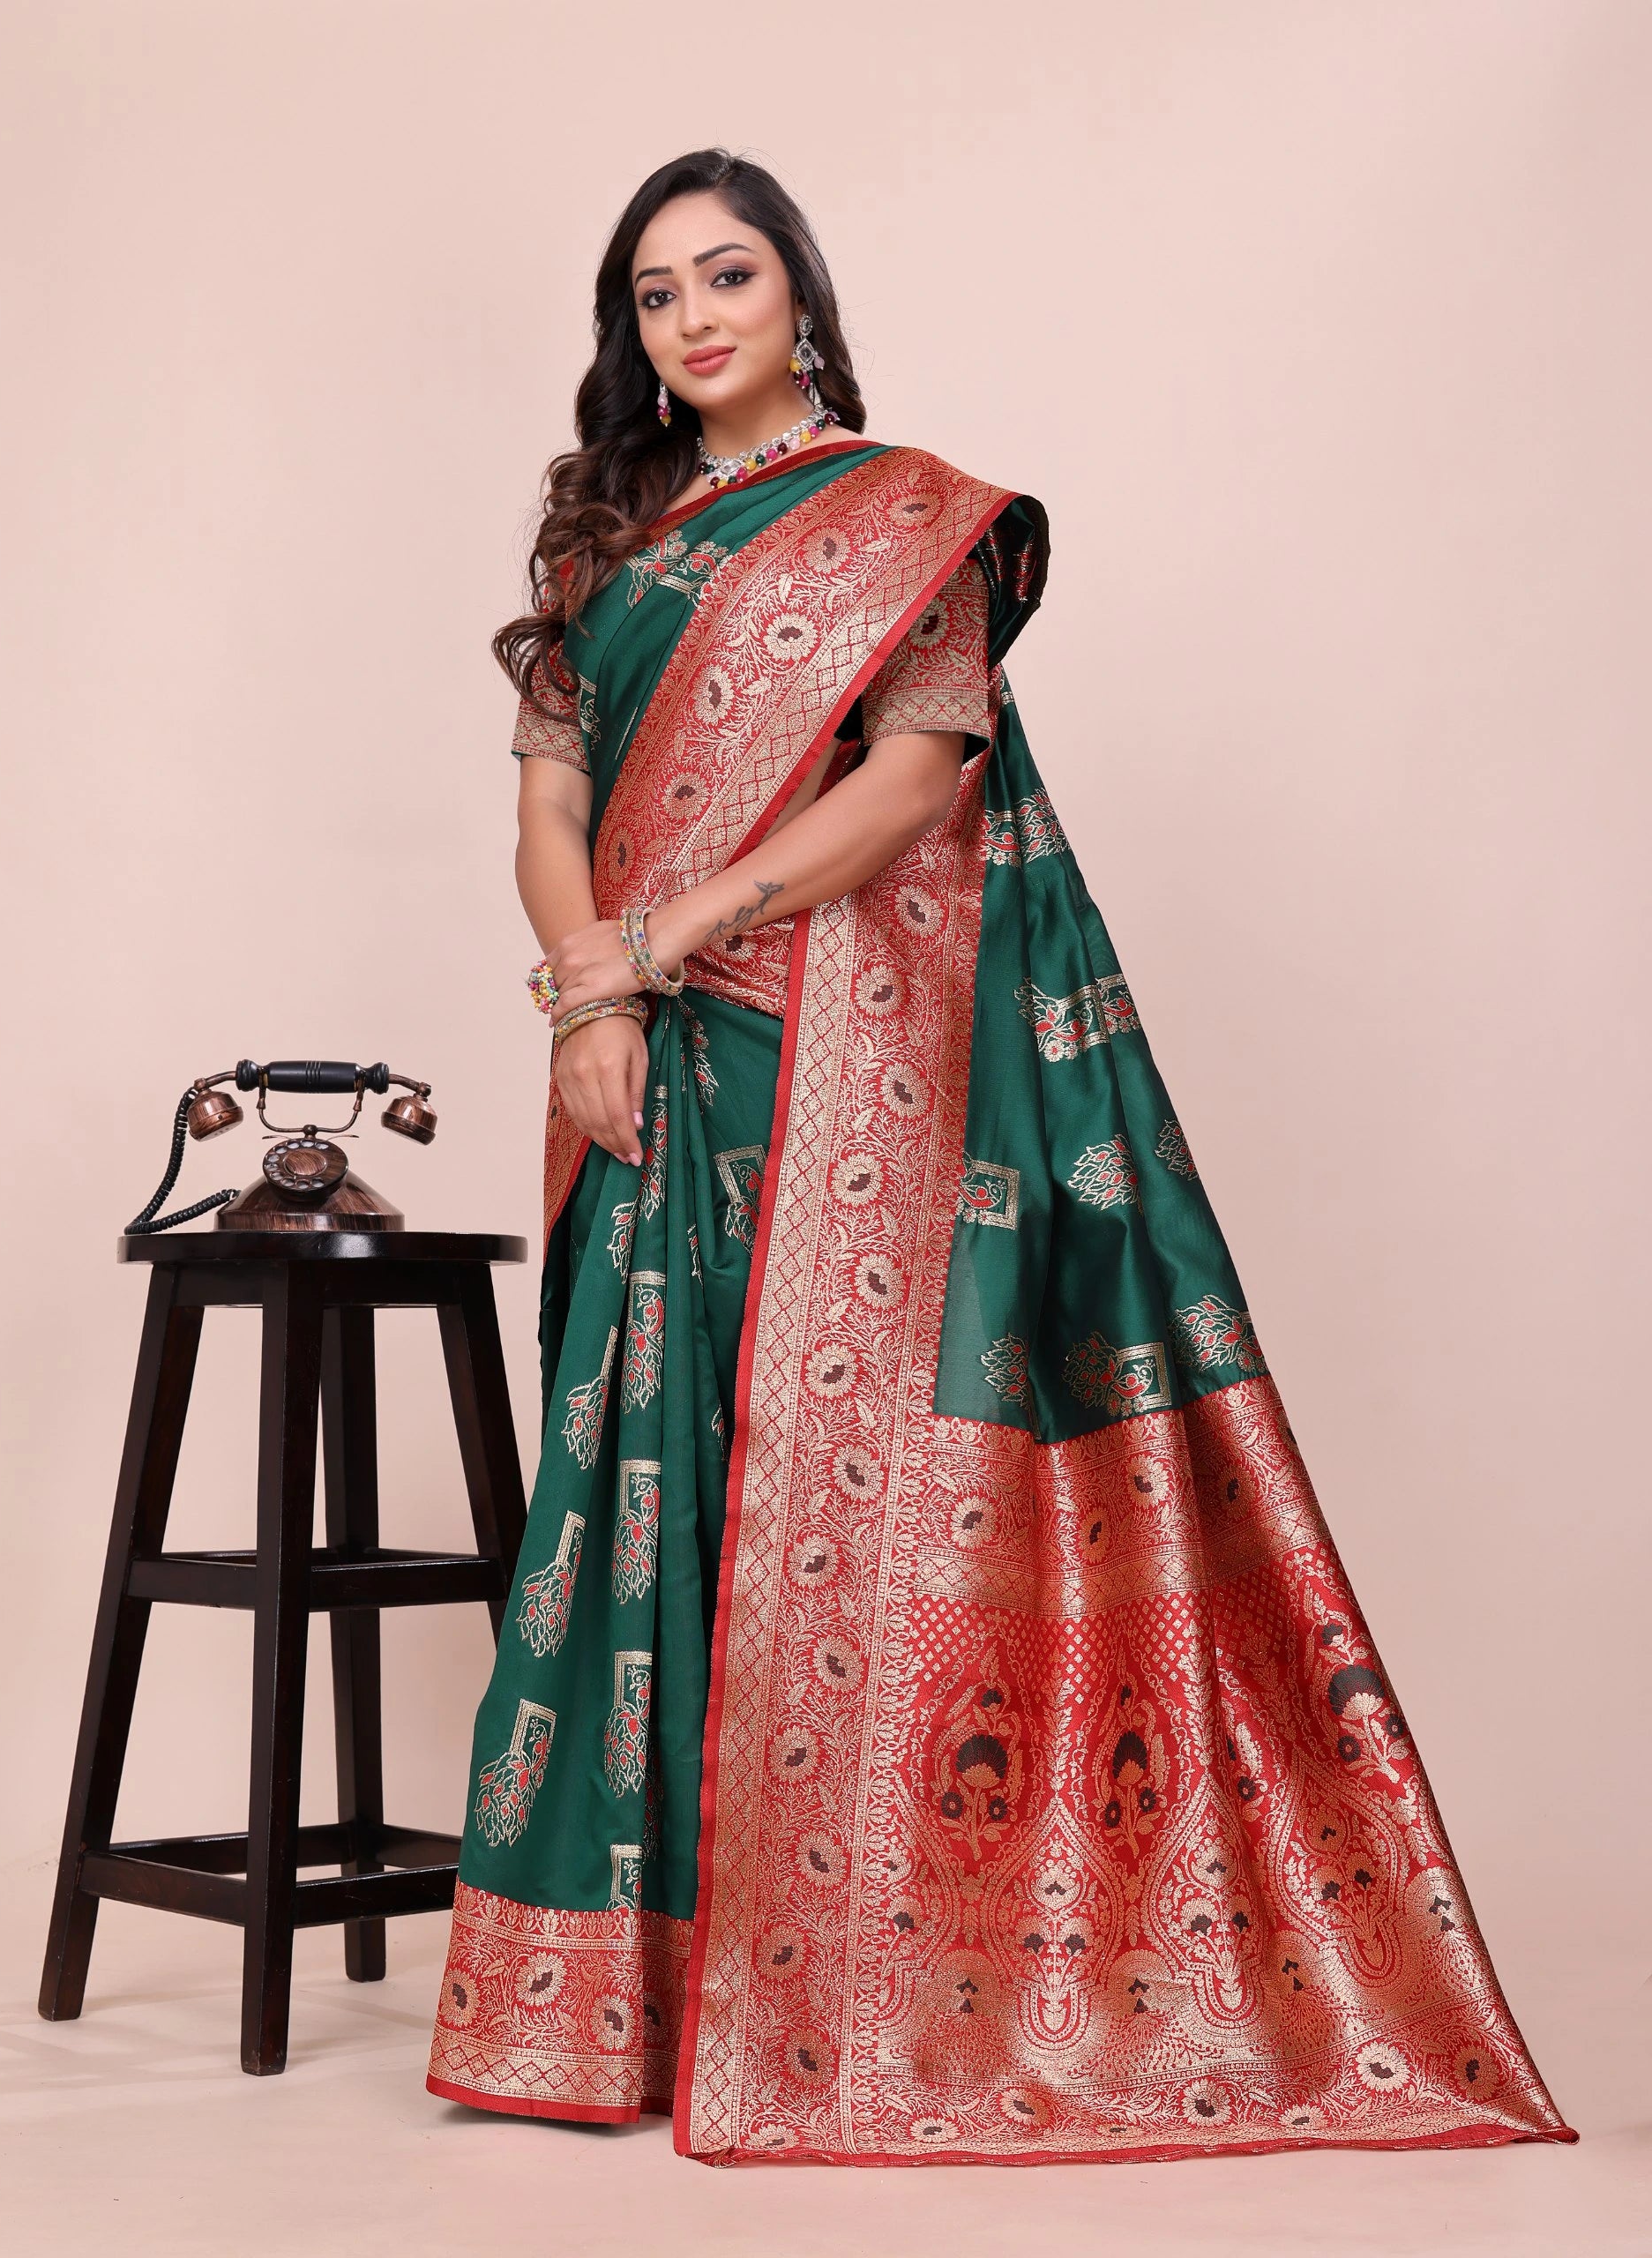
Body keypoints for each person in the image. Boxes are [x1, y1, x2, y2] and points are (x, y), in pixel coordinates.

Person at [427, 147, 1573, 2167]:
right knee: (643, 1474)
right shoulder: (606, 545)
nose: (695, 319)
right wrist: (591, 993)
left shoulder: (898, 525)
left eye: (730, 275)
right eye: (656, 294)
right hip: (636, 1064)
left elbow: (918, 778)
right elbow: (552, 798)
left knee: (811, 1512)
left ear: (800, 297)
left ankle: (832, 1986)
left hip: (837, 1062)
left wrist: (679, 935)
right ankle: (640, 1996)